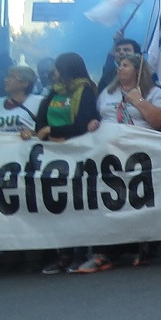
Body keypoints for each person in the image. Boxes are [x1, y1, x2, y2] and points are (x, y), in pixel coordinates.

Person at [33, 53, 103, 274]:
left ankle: (80, 253)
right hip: (53, 156)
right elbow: (40, 122)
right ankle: (63, 254)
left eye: (57, 68)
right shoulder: (54, 92)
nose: (53, 73)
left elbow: (83, 124)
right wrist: (46, 132)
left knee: (78, 204)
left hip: (77, 155)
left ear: (67, 69)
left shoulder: (86, 92)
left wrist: (54, 130)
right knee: (58, 206)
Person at [96, 55, 161, 130]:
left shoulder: (154, 92)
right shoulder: (107, 92)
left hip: (139, 135)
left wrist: (139, 100)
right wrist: (94, 123)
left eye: (125, 66)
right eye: (119, 65)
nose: (120, 68)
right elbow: (97, 115)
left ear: (138, 71)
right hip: (107, 134)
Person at [0, 65, 40, 134]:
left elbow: (43, 129)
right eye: (7, 76)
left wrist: (31, 133)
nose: (6, 80)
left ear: (25, 83)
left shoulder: (38, 102)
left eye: (12, 77)